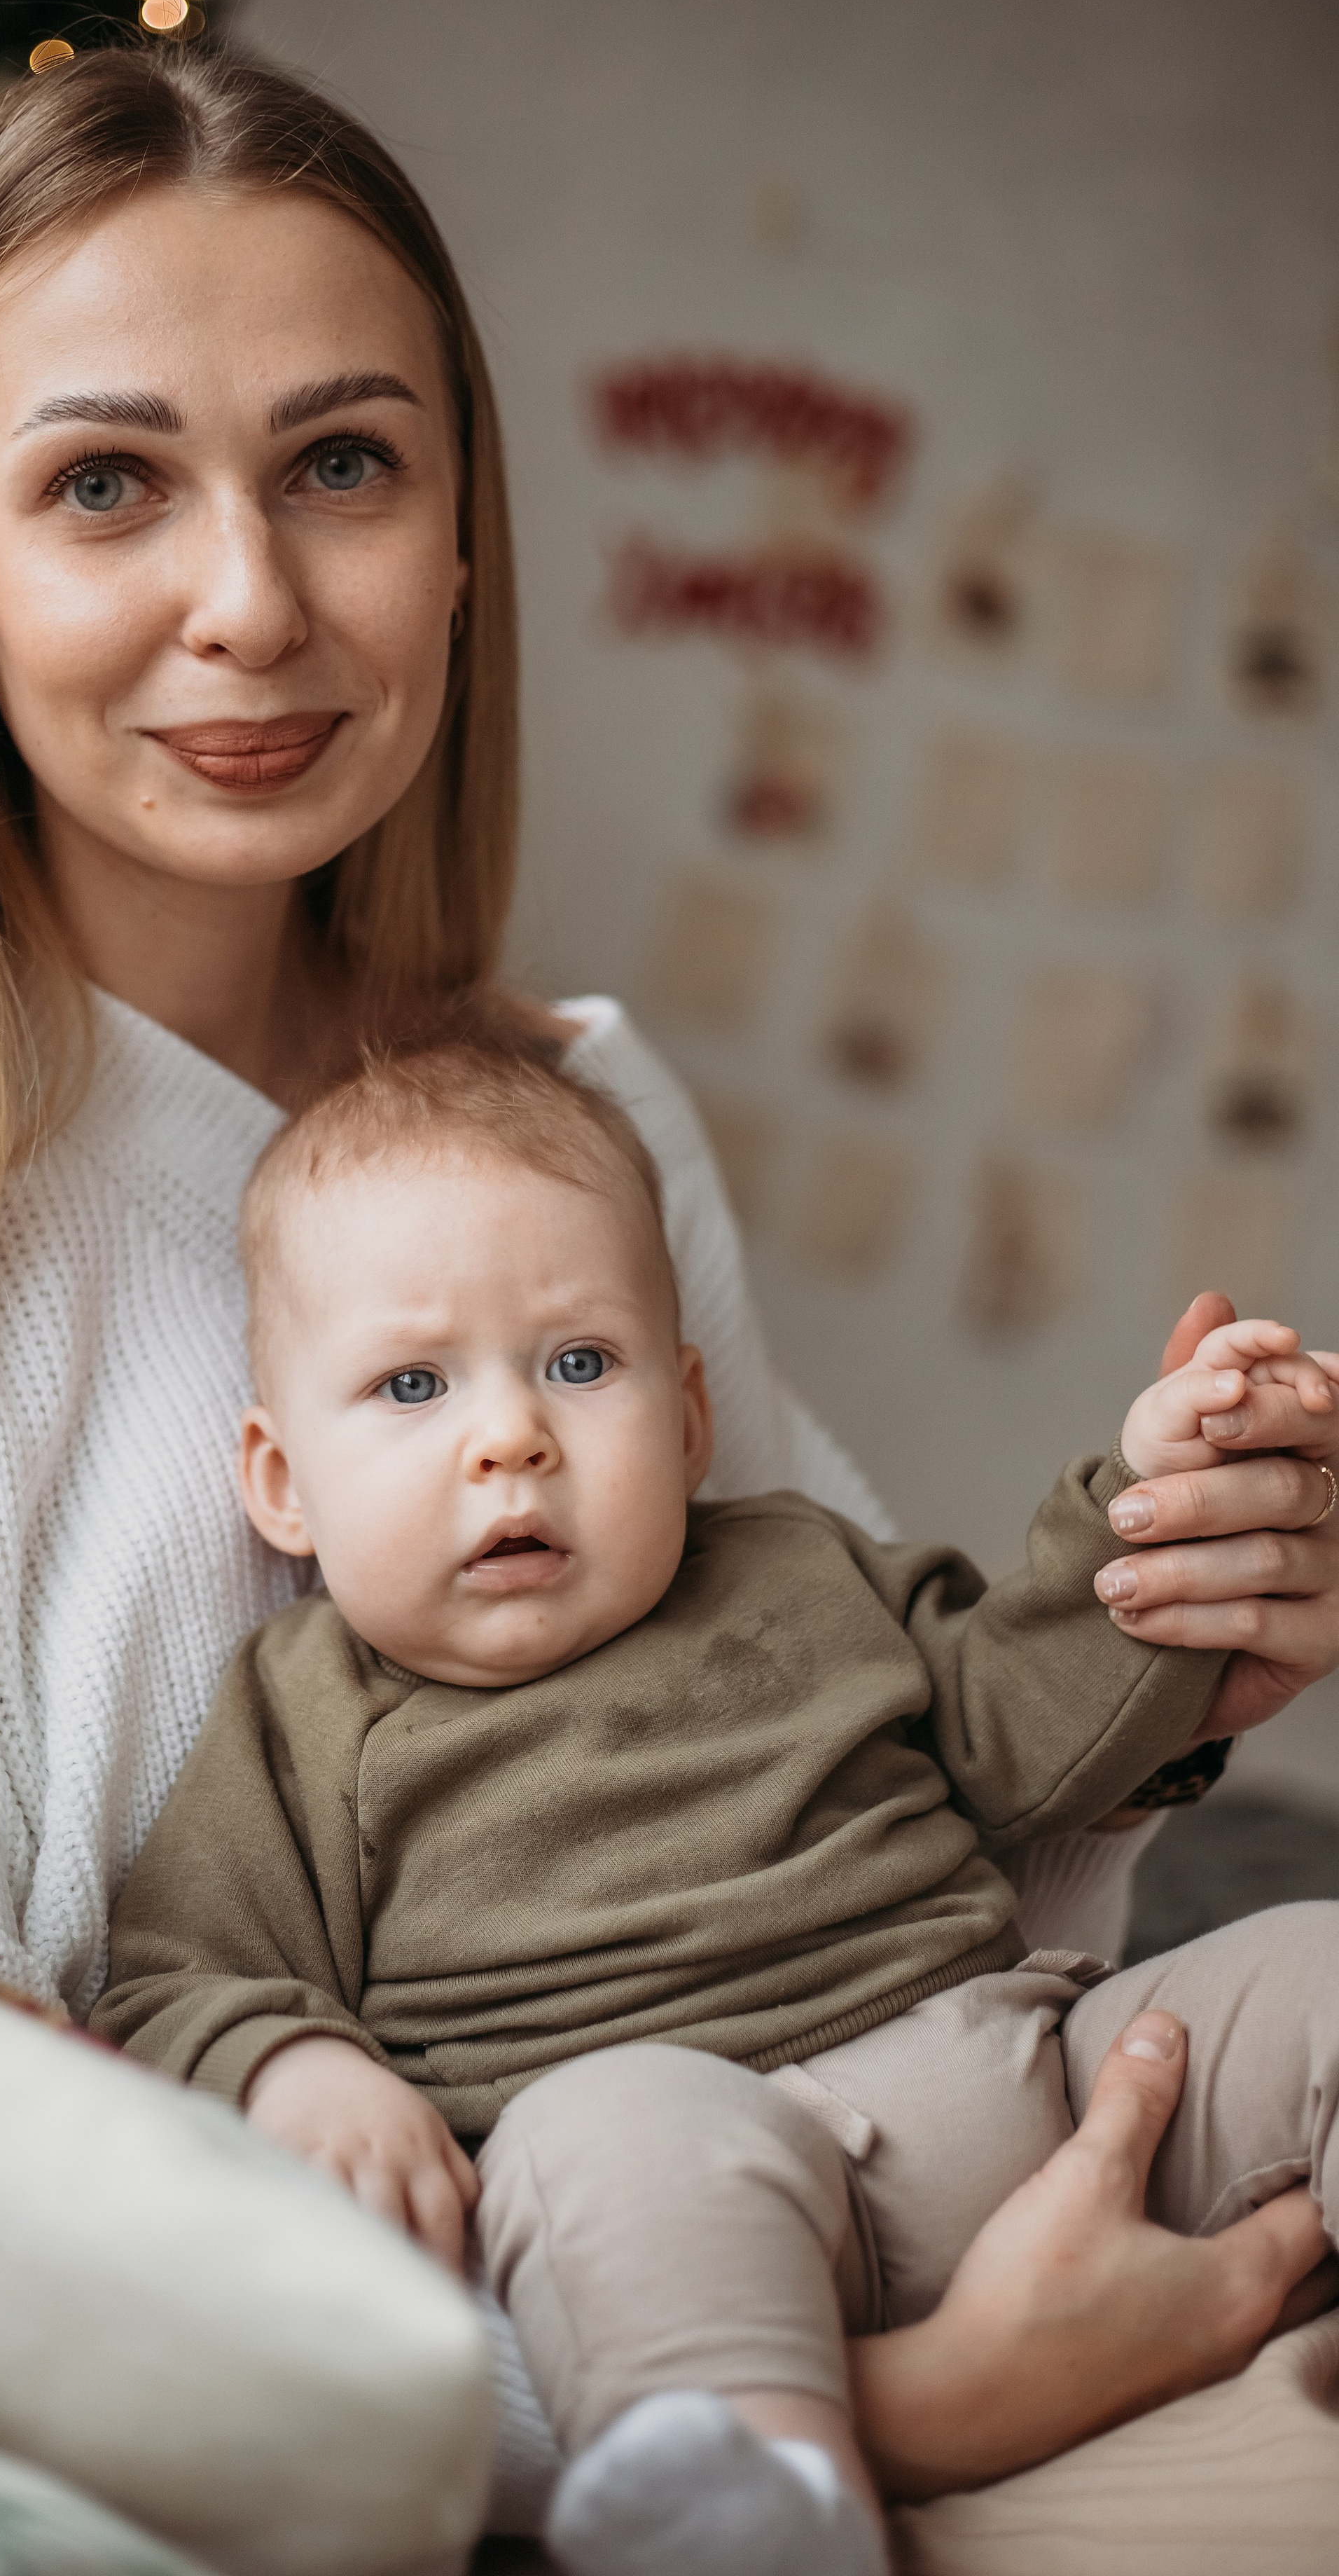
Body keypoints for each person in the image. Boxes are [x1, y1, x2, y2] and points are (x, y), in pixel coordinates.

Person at [0, 42, 1332, 2505]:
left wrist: (1175, 1652)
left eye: (344, 467)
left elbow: (865, 1808)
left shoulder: (578, 1112)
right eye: (102, 485)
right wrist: (885, 2417)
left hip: (917, 2221)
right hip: (407, 2473)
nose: (254, 604)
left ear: (463, 528)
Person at [92, 1031, 1339, 2576]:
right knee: (596, 2135)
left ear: (686, 1418)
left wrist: (1145, 1508)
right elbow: (174, 1974)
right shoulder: (305, 1717)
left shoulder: (796, 1566)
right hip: (697, 2171)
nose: (509, 1436)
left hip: (1034, 2069)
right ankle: (757, 2504)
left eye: (578, 1363)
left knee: (1311, 1962)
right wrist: (296, 2068)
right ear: (282, 1483)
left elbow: (1020, 1723)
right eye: (412, 1384)